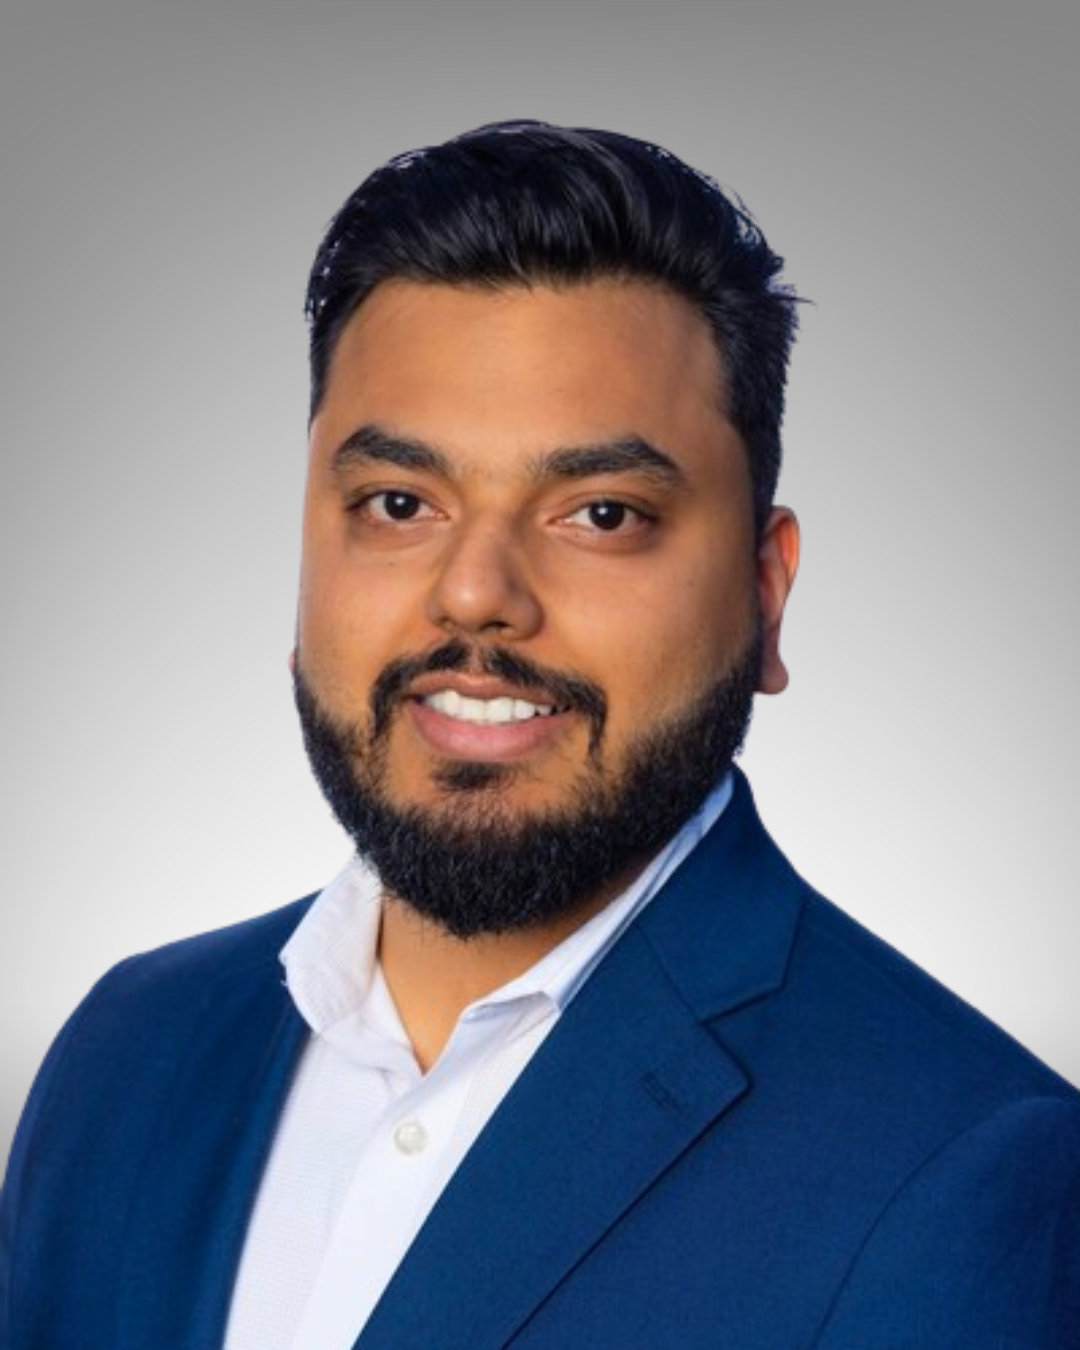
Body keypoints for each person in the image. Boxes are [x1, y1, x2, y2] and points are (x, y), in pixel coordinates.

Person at [2, 120, 1077, 1350]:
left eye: (601, 514)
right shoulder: (125, 1054)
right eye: (398, 503)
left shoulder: (967, 1175)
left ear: (765, 592)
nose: (475, 594)